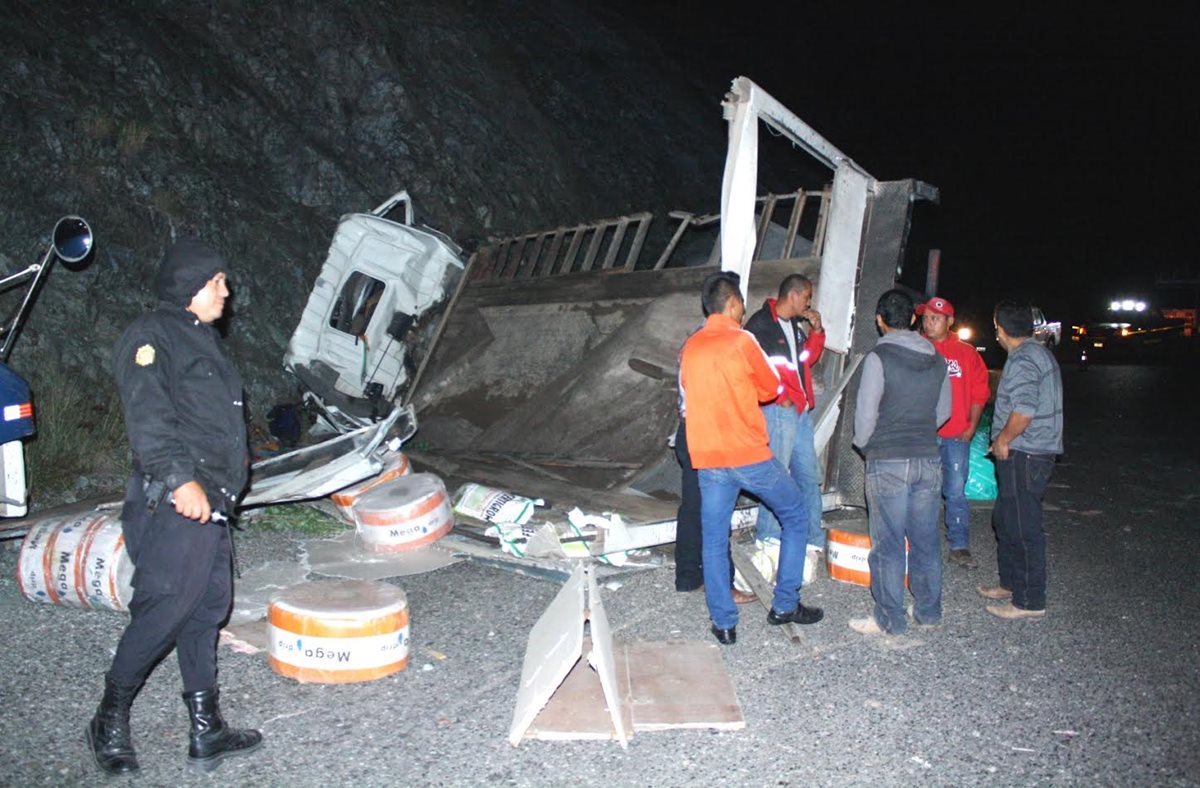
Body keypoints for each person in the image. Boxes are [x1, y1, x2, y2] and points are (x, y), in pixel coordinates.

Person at [87, 239, 262, 775]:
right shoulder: (151, 336)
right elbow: (149, 417)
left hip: (212, 502)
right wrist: (180, 481)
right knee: (164, 607)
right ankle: (108, 718)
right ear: (191, 283)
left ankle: (206, 728)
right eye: (218, 282)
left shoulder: (200, 339)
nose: (226, 292)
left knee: (206, 609)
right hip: (176, 502)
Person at [679, 271, 823, 645]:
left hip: (708, 458)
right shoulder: (742, 340)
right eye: (741, 301)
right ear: (731, 304)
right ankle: (785, 603)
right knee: (795, 514)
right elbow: (771, 388)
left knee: (714, 539)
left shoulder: (690, 347)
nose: (744, 308)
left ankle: (724, 624)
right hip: (748, 453)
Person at [850, 289, 951, 636]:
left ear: (879, 320)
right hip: (927, 458)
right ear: (912, 320)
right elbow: (944, 411)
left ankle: (891, 619)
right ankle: (928, 611)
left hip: (888, 459)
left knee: (889, 543)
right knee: (925, 539)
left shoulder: (879, 359)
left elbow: (864, 417)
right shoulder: (936, 359)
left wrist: (867, 447)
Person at [978, 299, 1063, 619]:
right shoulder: (1034, 353)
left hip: (1026, 452)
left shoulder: (1025, 359)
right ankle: (1011, 584)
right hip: (1025, 451)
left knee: (1024, 526)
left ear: (1000, 326)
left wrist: (1003, 439)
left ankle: (1030, 601)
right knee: (1006, 519)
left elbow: (1024, 410)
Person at [743, 274, 827, 583]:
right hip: (778, 412)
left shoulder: (794, 327)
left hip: (800, 413)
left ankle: (811, 542)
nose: (809, 304)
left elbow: (806, 361)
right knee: (776, 476)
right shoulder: (760, 325)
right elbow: (752, 371)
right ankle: (768, 542)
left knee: (808, 476)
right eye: (808, 298)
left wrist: (817, 332)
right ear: (795, 295)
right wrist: (783, 397)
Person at [917, 296, 991, 568]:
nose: (929, 322)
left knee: (955, 491)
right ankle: (919, 543)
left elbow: (980, 393)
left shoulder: (966, 353)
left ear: (950, 321)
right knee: (921, 490)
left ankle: (959, 546)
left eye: (935, 318)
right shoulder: (918, 349)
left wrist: (971, 426)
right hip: (923, 435)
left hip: (956, 435)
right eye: (925, 317)